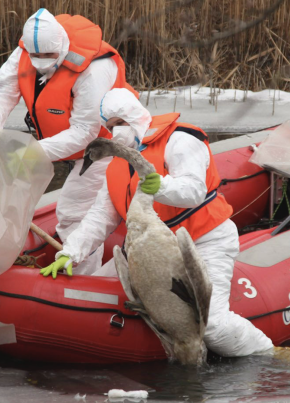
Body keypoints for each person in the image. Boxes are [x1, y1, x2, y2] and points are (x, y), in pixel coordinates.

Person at [40, 88, 274, 357]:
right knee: (94, 298)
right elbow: (100, 217)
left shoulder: (181, 139)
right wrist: (70, 252)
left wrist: (160, 185)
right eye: (110, 126)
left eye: (121, 123)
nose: (116, 132)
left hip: (202, 242)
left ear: (135, 116)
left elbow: (194, 190)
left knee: (212, 326)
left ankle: (267, 352)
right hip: (153, 254)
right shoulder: (116, 165)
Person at [0, 9, 137, 274]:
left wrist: (33, 151)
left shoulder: (93, 69)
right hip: (62, 143)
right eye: (35, 56)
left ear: (61, 46)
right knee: (10, 189)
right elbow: (3, 90)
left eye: (48, 57)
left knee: (74, 213)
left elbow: (86, 131)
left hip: (104, 145)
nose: (40, 62)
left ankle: (84, 279)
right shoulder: (25, 51)